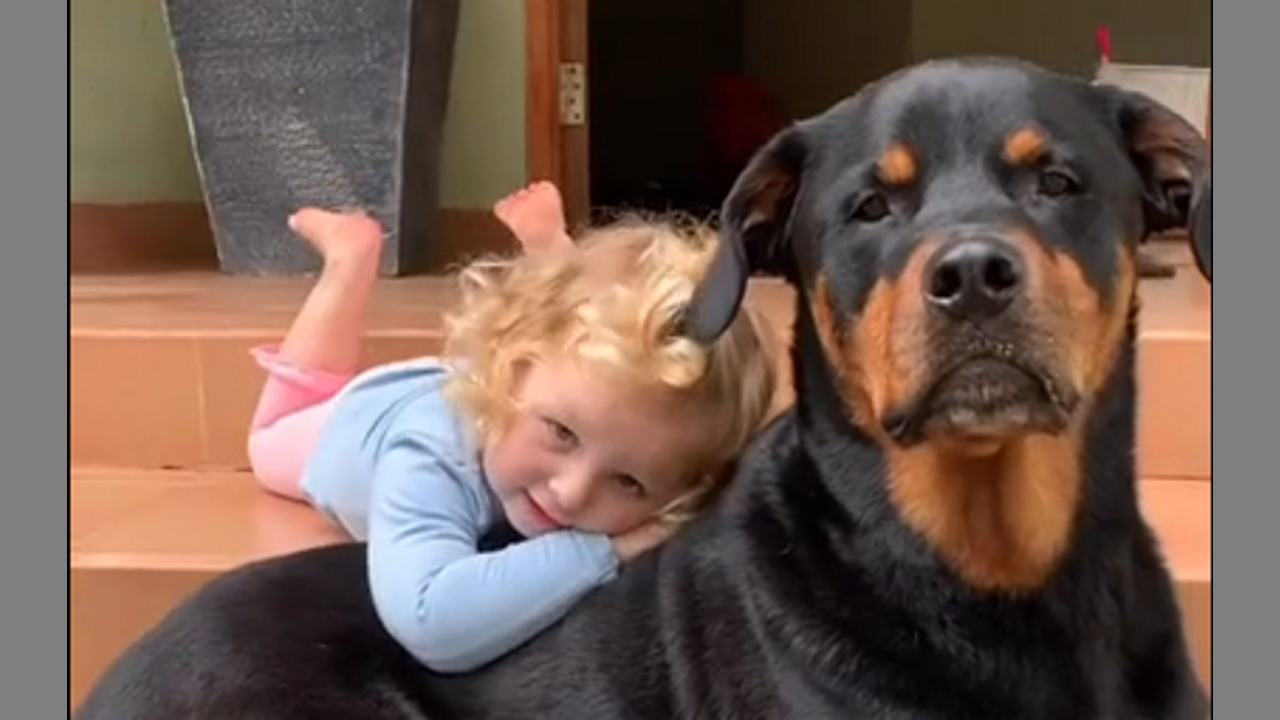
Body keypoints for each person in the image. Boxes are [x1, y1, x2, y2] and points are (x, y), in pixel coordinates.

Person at [243, 181, 779, 673]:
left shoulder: (564, 397)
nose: (571, 493)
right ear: (508, 370)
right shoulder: (427, 456)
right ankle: (349, 259)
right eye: (562, 433)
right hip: (361, 414)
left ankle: (553, 257)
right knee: (269, 440)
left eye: (628, 482)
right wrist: (609, 551)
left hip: (507, 386)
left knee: (561, 339)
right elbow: (431, 620)